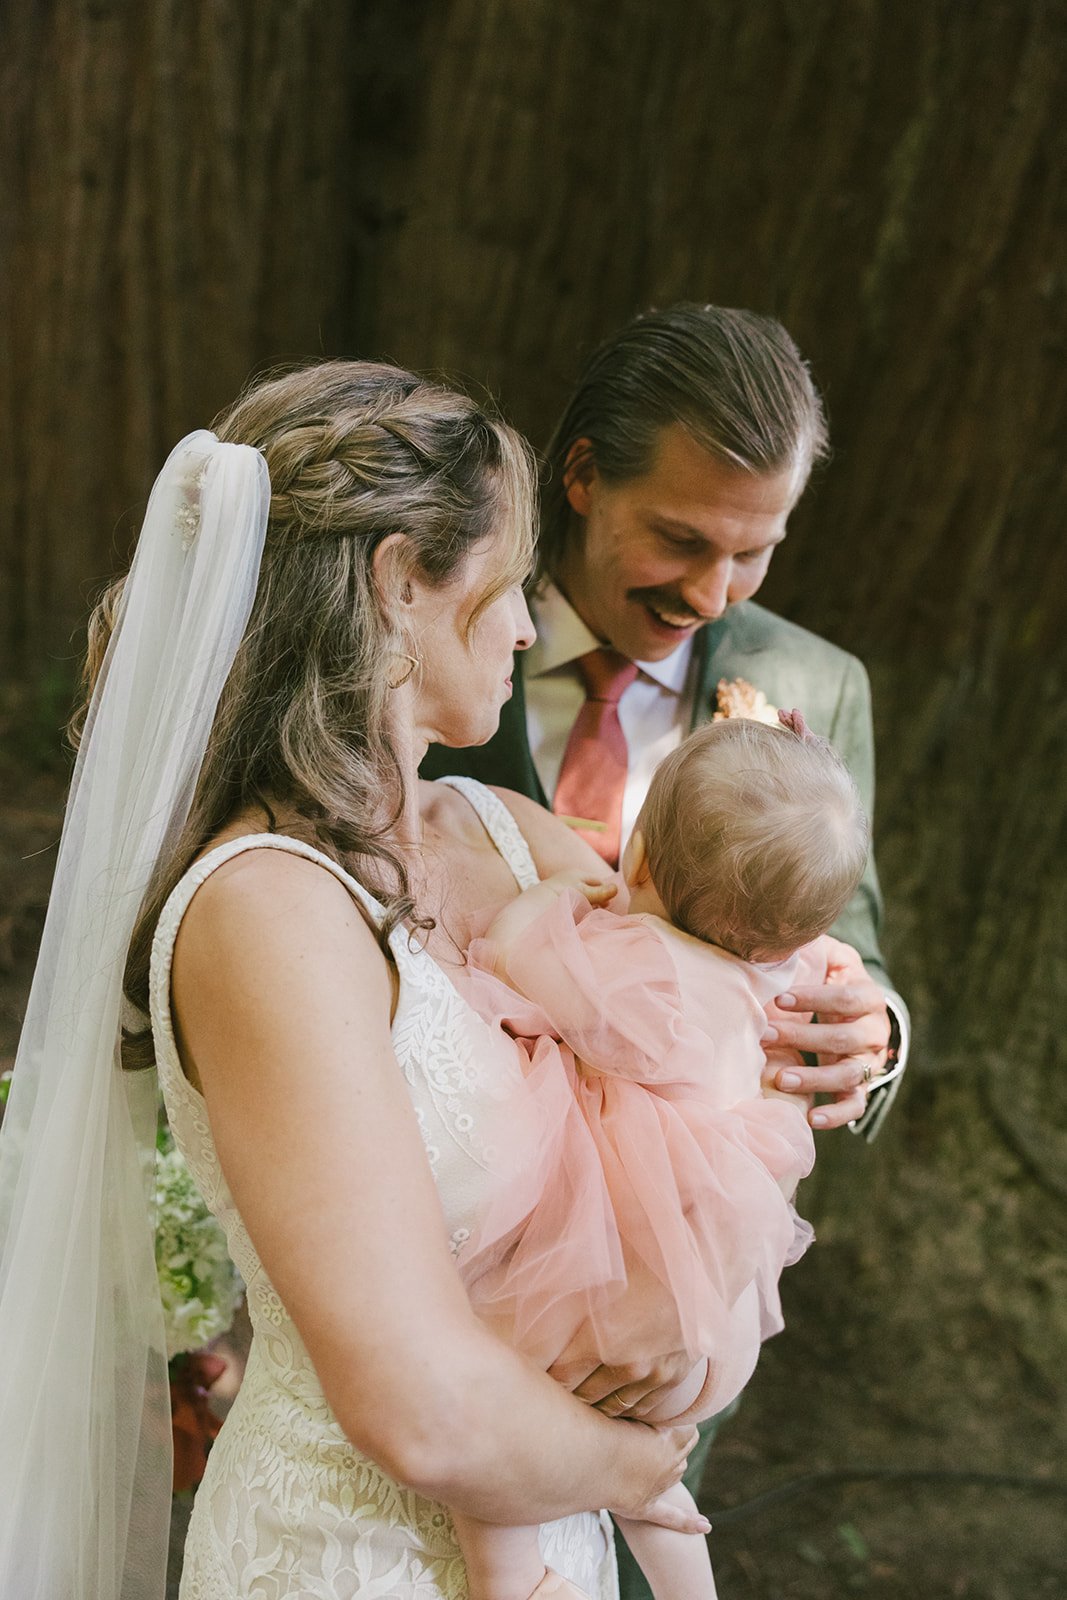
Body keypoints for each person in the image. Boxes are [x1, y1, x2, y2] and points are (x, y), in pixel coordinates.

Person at [0, 361, 711, 1600]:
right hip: (348, 1555)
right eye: (505, 583)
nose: (530, 627)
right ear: (398, 581)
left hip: (553, 1531)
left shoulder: (507, 835)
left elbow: (679, 1124)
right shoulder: (262, 910)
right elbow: (417, 1408)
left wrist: (678, 1354)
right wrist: (637, 1463)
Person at [419, 303, 909, 1595]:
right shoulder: (436, 628)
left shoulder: (816, 683)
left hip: (663, 1304)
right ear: (579, 476)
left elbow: (841, 948)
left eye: (752, 555)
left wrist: (873, 1034)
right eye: (680, 540)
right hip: (441, 1264)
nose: (710, 594)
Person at [444, 713, 869, 1600]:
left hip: (601, 1313)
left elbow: (517, 954)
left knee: (487, 1397)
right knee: (655, 1484)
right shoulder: (787, 983)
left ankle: (511, 1580)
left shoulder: (639, 966)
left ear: (635, 863)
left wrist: (560, 898)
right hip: (717, 1332)